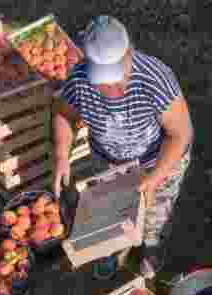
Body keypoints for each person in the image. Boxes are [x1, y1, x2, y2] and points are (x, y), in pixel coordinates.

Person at [52, 15, 193, 280]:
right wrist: (62, 155)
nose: (112, 88)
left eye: (116, 78)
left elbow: (180, 133)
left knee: (156, 210)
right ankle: (113, 247)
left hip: (158, 159)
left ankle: (152, 245)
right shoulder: (80, 80)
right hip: (110, 160)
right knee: (110, 210)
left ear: (129, 53)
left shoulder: (155, 79)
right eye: (103, 80)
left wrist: (156, 177)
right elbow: (63, 114)